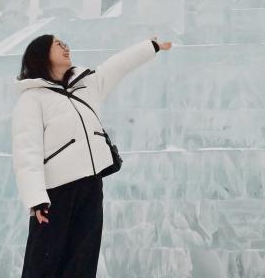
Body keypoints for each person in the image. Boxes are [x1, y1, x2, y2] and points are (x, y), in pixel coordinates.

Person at [12, 34, 172, 276]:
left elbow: (118, 65)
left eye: (66, 43)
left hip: (91, 186)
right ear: (42, 54)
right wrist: (36, 199)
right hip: (55, 194)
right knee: (44, 262)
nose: (65, 47)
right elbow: (27, 151)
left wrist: (151, 46)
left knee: (83, 261)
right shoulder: (32, 98)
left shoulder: (87, 85)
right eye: (58, 44)